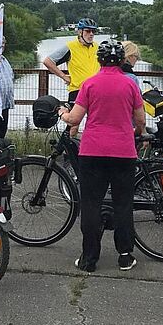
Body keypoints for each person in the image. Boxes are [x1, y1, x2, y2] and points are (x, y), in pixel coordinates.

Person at [58, 40, 145, 272]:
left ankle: (89, 258)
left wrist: (64, 113)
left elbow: (75, 119)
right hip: (123, 152)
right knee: (123, 204)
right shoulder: (130, 85)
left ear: (99, 60)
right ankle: (125, 255)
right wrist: (132, 133)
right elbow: (141, 121)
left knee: (91, 204)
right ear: (122, 61)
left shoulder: (89, 84)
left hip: (93, 152)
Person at [42, 18, 100, 103]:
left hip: (96, 90)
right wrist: (63, 76)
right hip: (77, 91)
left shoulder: (98, 48)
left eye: (93, 31)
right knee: (73, 116)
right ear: (80, 32)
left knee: (96, 116)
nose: (91, 34)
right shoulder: (70, 47)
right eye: (88, 31)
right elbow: (48, 61)